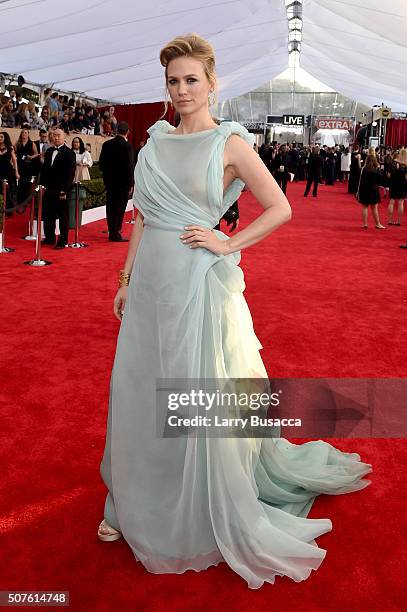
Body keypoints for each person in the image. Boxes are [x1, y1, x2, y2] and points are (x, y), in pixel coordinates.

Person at [98, 33, 372, 589]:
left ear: (211, 82)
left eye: (191, 80)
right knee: (137, 384)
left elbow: (281, 207)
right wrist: (126, 277)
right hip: (151, 281)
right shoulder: (151, 145)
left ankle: (194, 499)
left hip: (197, 282)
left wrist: (229, 243)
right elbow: (145, 218)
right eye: (173, 81)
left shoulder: (230, 144)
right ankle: (133, 497)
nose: (181, 90)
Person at [39, 127, 76, 248]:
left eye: (58, 135)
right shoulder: (49, 151)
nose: (56, 137)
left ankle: (63, 240)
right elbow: (45, 169)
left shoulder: (69, 153)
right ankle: (50, 238)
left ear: (64, 137)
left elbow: (70, 174)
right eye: (54, 135)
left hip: (61, 190)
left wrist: (64, 190)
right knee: (48, 215)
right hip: (49, 189)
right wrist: (42, 184)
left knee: (63, 217)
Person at [99, 121, 134, 241]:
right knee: (120, 207)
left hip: (109, 182)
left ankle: (111, 231)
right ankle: (116, 232)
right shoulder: (127, 146)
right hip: (123, 183)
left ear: (116, 130)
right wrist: (131, 183)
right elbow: (130, 166)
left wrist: (108, 176)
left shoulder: (106, 144)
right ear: (128, 132)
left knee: (110, 206)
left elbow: (101, 164)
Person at [357, 150, 385, 229]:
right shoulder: (376, 170)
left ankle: (365, 224)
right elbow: (380, 182)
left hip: (364, 189)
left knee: (365, 207)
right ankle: (378, 224)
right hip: (373, 190)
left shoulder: (363, 169)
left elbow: (360, 179)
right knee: (374, 208)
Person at [15, 128, 38, 204]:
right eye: (23, 133)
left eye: (25, 133)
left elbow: (36, 154)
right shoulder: (17, 143)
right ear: (21, 134)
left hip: (28, 167)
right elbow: (13, 153)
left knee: (27, 184)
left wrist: (31, 157)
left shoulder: (32, 143)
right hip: (19, 166)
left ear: (28, 134)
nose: (24, 134)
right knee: (20, 184)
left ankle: (25, 201)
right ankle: (19, 201)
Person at [0, 131, 19, 216]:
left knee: (8, 191)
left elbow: (14, 161)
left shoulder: (10, 147)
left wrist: (17, 172)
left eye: (1, 137)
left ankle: (8, 210)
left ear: (5, 138)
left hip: (8, 172)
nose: (0, 138)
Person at [388, 148, 407, 226]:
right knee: (400, 203)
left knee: (392, 202)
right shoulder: (406, 164)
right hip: (402, 184)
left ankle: (390, 220)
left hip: (393, 183)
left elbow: (389, 175)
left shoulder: (393, 162)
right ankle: (399, 221)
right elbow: (406, 177)